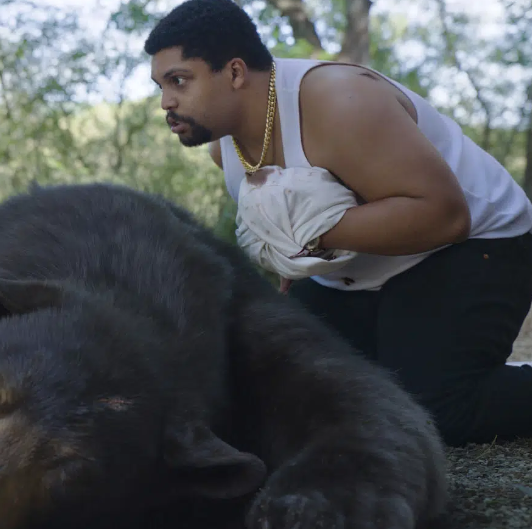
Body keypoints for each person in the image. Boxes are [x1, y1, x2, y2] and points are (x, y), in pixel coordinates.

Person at [144, 0, 532, 447]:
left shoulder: (340, 99)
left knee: (437, 410)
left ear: (233, 72)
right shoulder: (225, 148)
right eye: (160, 85)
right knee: (264, 387)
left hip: (470, 249)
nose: (166, 102)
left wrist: (310, 233)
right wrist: (290, 266)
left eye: (179, 81)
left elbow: (445, 216)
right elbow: (291, 238)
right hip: (355, 277)